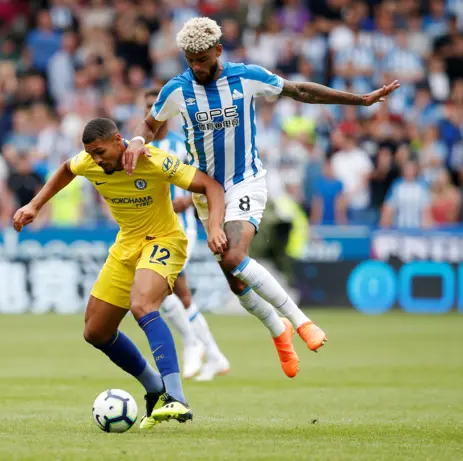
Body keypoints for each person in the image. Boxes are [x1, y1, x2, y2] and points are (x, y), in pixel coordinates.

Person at [123, 17, 401, 377]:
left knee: (235, 254)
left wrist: (359, 101)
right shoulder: (176, 89)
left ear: (218, 51)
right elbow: (150, 122)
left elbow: (299, 90)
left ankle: (300, 322)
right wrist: (137, 141)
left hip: (245, 180)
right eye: (190, 60)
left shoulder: (246, 77)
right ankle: (277, 329)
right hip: (206, 191)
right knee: (233, 274)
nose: (197, 67)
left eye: (202, 59)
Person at [12, 118, 227, 430]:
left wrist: (214, 226)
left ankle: (176, 397)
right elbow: (65, 170)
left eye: (101, 152)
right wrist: (35, 205)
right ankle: (154, 387)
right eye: (91, 154)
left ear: (118, 140)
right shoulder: (89, 162)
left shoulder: (153, 160)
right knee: (96, 332)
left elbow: (210, 185)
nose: (97, 160)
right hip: (127, 245)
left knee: (142, 305)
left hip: (164, 240)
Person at [144, 88, 230, 382]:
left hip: (181, 229)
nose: (153, 113)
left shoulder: (182, 146)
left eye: (156, 106)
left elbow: (208, 182)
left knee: (165, 290)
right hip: (152, 230)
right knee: (178, 295)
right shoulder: (139, 147)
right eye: (148, 108)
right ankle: (214, 355)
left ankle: (193, 345)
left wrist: (188, 201)